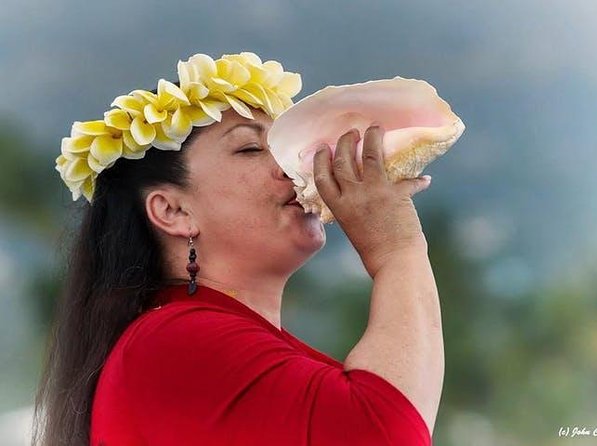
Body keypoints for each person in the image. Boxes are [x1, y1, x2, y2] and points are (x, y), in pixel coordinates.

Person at [33, 51, 444, 445]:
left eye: (286, 146)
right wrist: (397, 249)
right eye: (250, 148)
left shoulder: (211, 341)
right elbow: (384, 432)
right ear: (173, 210)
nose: (292, 164)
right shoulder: (175, 340)